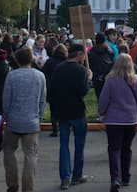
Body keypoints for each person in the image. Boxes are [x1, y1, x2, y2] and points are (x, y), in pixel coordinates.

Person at [98, 53, 137, 192]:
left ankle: (115, 178)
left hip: (113, 119)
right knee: (127, 148)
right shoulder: (136, 80)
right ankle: (126, 176)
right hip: (131, 119)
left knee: (114, 149)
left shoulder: (111, 80)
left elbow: (104, 99)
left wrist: (101, 112)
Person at [2, 45, 47, 192]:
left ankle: (12, 183)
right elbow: (42, 100)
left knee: (9, 150)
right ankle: (28, 187)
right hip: (31, 121)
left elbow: (6, 100)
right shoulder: (40, 76)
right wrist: (39, 118)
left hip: (14, 120)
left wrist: (6, 116)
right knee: (31, 156)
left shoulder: (12, 76)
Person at [49, 43, 93, 189]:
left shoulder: (58, 68)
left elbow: (52, 90)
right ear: (79, 55)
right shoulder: (81, 70)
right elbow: (83, 91)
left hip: (62, 111)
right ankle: (77, 175)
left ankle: (65, 178)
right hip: (77, 111)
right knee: (79, 145)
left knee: (64, 145)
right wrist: (89, 78)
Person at [41, 43, 67, 138]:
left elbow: (44, 73)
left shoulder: (50, 61)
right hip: (65, 89)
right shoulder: (66, 62)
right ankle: (64, 128)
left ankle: (55, 130)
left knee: (54, 110)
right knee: (64, 110)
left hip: (53, 88)